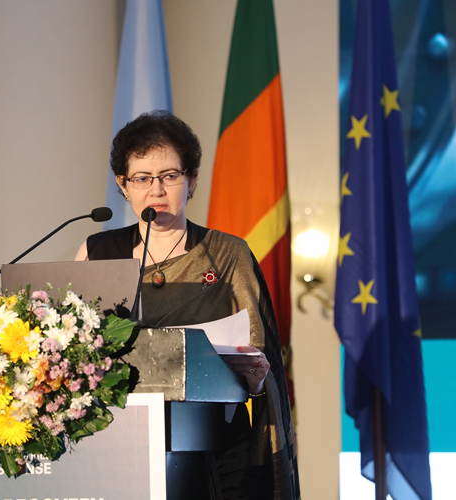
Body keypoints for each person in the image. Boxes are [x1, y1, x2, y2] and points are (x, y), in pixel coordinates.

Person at [76, 110, 299, 500]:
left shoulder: (227, 254)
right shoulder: (97, 252)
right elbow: (73, 350)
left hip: (215, 446)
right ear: (123, 185)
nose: (156, 190)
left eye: (169, 176)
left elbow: (258, 353)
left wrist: (255, 375)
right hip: (118, 443)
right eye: (142, 178)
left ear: (191, 179)